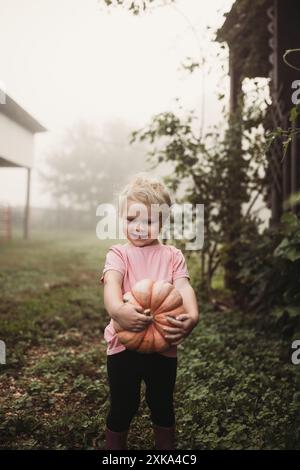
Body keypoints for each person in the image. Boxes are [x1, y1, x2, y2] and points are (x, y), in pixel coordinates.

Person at [100, 173, 199, 450]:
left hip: (163, 344)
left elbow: (184, 287)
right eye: (132, 219)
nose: (139, 228)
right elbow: (111, 284)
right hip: (123, 345)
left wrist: (193, 316)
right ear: (122, 219)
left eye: (149, 221)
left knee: (162, 404)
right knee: (123, 405)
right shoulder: (119, 254)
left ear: (163, 222)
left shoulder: (172, 256)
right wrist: (117, 310)